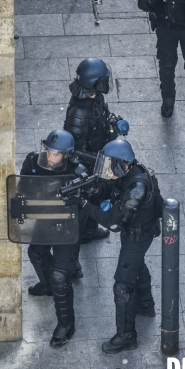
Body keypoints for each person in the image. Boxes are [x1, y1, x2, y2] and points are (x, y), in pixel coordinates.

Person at [63, 140, 160, 353]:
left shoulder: (138, 188)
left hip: (138, 236)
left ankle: (127, 336)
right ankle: (146, 304)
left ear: (123, 165)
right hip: (134, 232)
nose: (107, 169)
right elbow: (109, 187)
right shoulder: (127, 171)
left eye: (110, 165)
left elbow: (109, 220)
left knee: (122, 285)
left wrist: (84, 204)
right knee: (137, 265)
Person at [19, 130, 86, 348]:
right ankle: (47, 286)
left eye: (56, 154)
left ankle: (66, 325)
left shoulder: (78, 172)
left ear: (66, 155)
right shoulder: (33, 162)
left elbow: (85, 209)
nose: (50, 157)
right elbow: (22, 189)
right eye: (48, 151)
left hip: (67, 226)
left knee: (60, 275)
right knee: (36, 253)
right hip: (45, 217)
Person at [64, 58, 118, 246]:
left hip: (99, 154)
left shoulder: (96, 97)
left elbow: (102, 116)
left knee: (101, 195)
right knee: (87, 202)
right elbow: (73, 150)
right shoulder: (79, 113)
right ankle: (75, 249)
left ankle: (90, 230)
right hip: (89, 163)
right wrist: (96, 162)